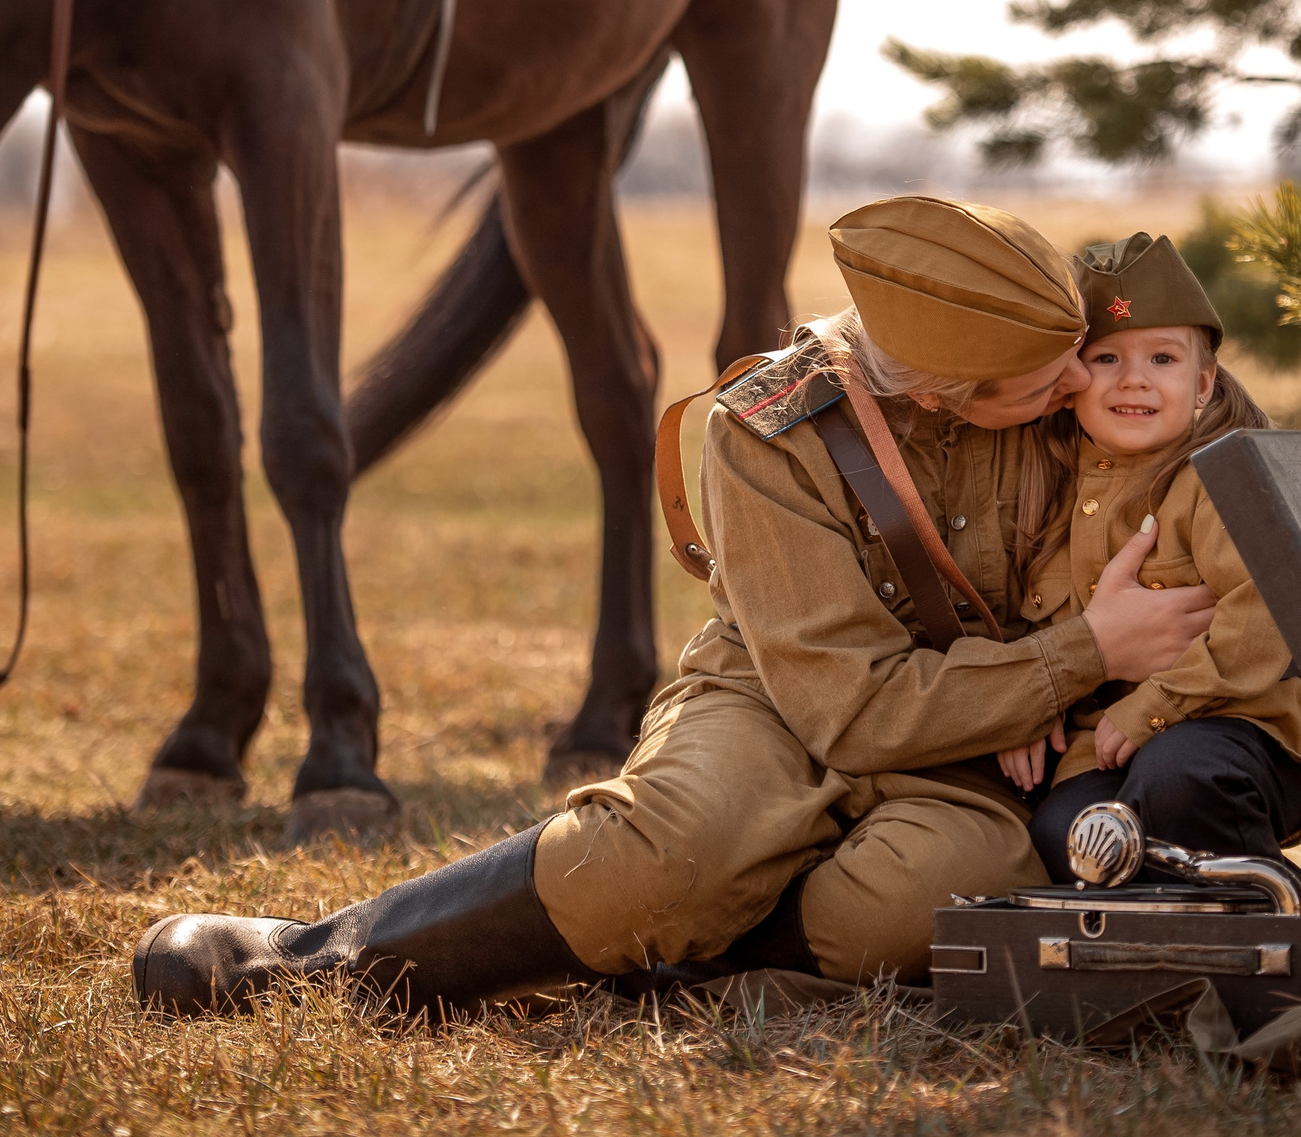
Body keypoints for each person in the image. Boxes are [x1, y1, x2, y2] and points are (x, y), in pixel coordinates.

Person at [133, 197, 1222, 1014]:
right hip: (786, 695)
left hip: (984, 741)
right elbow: (846, 705)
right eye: (1044, 387)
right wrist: (1075, 654)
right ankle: (321, 953)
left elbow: (1219, 450)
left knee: (927, 903)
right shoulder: (770, 425)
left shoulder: (1059, 357)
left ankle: (649, 957)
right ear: (939, 392)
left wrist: (1080, 676)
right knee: (656, 858)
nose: (1082, 388)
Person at [990, 232, 1301, 882]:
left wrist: (1153, 706)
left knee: (1178, 779)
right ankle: (1161, 917)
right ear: (1070, 383)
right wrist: (1026, 702)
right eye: (1106, 358)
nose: (1134, 379)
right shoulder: (1054, 488)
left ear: (1203, 381)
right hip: (1111, 747)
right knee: (1061, 832)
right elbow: (1036, 622)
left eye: (1162, 357)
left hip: (1240, 728)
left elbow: (1263, 613)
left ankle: (1262, 917)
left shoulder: (1218, 478)